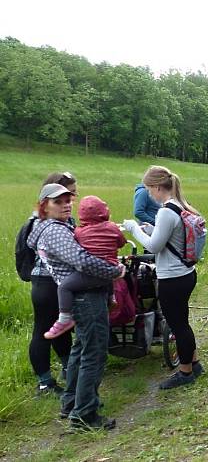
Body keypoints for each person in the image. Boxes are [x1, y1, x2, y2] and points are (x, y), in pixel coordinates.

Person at [28, 183, 125, 431]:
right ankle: (85, 415)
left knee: (80, 351)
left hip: (81, 296)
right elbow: (81, 261)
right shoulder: (55, 231)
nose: (66, 205)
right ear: (44, 206)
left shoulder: (53, 227)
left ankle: (71, 402)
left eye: (68, 200)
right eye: (58, 202)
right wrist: (114, 271)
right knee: (94, 353)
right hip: (86, 297)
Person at [123, 165, 205, 389]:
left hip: (172, 278)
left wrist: (134, 229)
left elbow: (154, 246)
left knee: (178, 325)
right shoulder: (178, 207)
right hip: (185, 273)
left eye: (149, 189)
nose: (149, 194)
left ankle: (186, 371)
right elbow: (170, 238)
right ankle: (194, 363)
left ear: (158, 187)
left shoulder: (166, 211)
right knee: (182, 322)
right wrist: (151, 228)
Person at [44, 196, 127, 339]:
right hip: (110, 267)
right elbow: (121, 242)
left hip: (91, 273)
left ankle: (65, 317)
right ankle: (111, 298)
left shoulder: (79, 232)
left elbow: (77, 250)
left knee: (64, 287)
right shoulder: (113, 227)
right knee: (109, 274)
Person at [26, 172, 77, 396]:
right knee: (43, 331)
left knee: (62, 328)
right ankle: (45, 382)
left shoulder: (54, 219)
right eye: (63, 198)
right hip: (47, 282)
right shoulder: (47, 222)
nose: (69, 201)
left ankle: (69, 369)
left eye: (71, 197)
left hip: (53, 282)